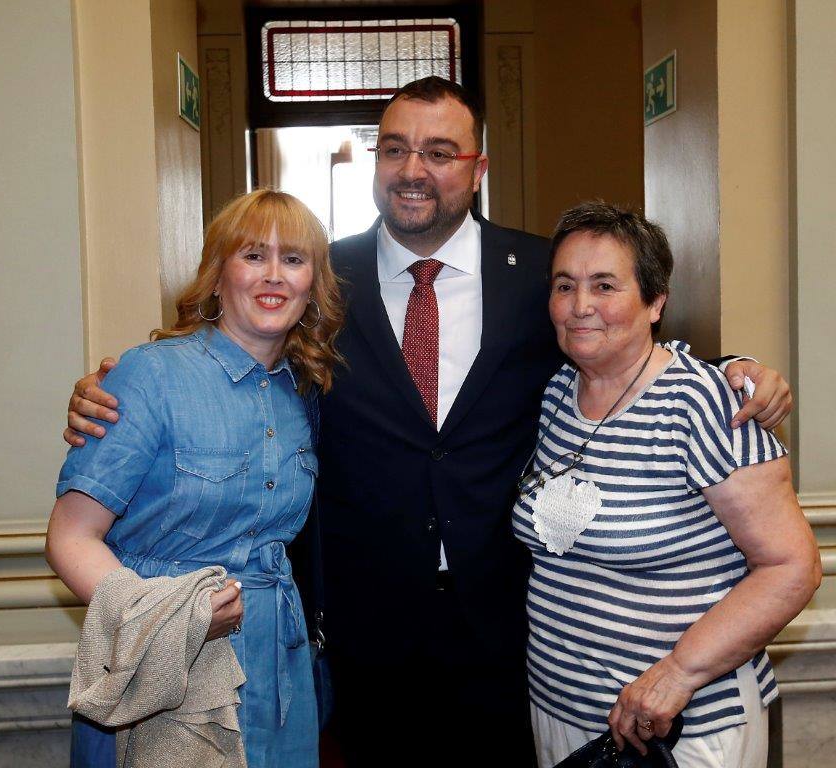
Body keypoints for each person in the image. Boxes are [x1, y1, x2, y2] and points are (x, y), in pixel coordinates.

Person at [62, 78, 794, 767]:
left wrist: (739, 369)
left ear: (477, 168)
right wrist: (118, 388)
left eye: (440, 152)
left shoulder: (538, 274)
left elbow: (616, 339)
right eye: (395, 148)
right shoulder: (319, 279)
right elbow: (227, 367)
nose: (414, 169)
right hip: (364, 632)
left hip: (511, 632)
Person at [513, 202, 820, 767]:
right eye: (565, 285)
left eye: (605, 285)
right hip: (561, 710)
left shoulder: (704, 403)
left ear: (656, 302)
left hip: (682, 726)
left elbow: (791, 567)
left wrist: (677, 674)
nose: (581, 306)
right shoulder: (557, 393)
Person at [46, 189, 343, 768]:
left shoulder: (303, 392)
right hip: (163, 671)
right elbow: (70, 536)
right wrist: (175, 615)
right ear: (215, 276)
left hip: (276, 664)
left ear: (314, 287)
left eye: (294, 259)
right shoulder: (148, 376)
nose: (273, 276)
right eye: (253, 256)